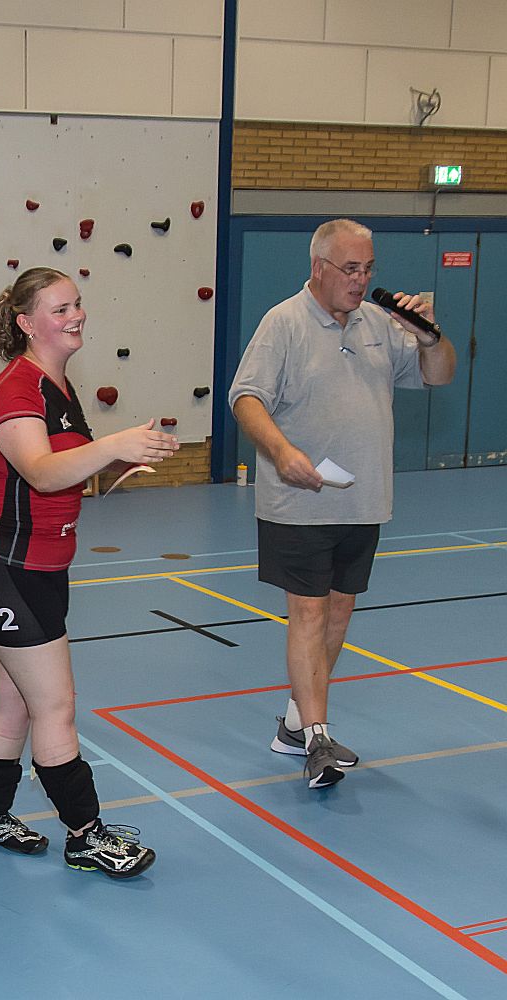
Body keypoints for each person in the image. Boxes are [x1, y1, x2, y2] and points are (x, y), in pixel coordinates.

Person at [0, 266, 177, 878]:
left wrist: (127, 458)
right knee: (56, 706)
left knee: (14, 701)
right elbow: (42, 472)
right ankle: (86, 834)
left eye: (77, 304)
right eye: (59, 309)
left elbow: (70, 469)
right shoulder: (16, 390)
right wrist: (113, 446)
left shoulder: (58, 386)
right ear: (27, 323)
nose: (76, 316)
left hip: (44, 565)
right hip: (1, 566)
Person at [229, 218, 456, 790]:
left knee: (337, 613)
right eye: (350, 269)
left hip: (363, 500)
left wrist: (430, 336)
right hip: (299, 502)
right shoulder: (283, 322)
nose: (361, 280)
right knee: (308, 613)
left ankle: (293, 723)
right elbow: (246, 397)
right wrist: (282, 452)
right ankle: (318, 738)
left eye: (368, 268)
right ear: (318, 267)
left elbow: (439, 375)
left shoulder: (379, 323)